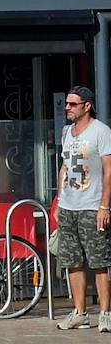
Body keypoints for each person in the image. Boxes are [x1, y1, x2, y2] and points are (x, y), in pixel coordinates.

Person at [54, 86, 111, 331]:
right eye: (67, 103)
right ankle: (80, 312)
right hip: (68, 206)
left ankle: (106, 313)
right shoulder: (67, 132)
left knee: (99, 261)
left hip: (92, 206)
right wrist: (58, 200)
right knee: (72, 260)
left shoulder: (101, 132)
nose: (67, 108)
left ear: (87, 106)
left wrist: (104, 206)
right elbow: (65, 166)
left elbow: (109, 171)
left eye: (73, 104)